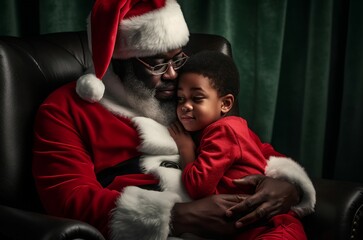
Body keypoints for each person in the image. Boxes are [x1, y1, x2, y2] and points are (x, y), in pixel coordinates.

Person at [32, 0, 315, 239]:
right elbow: (68, 198)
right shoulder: (65, 108)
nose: (171, 75)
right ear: (117, 63)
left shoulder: (188, 96)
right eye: (156, 64)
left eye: (178, 60)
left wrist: (287, 185)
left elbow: (245, 144)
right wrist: (175, 216)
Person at [168, 50, 309, 239]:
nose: (185, 106)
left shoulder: (224, 130)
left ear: (225, 103)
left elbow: (198, 187)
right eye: (180, 99)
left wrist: (185, 148)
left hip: (271, 229)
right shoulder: (228, 128)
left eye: (197, 98)